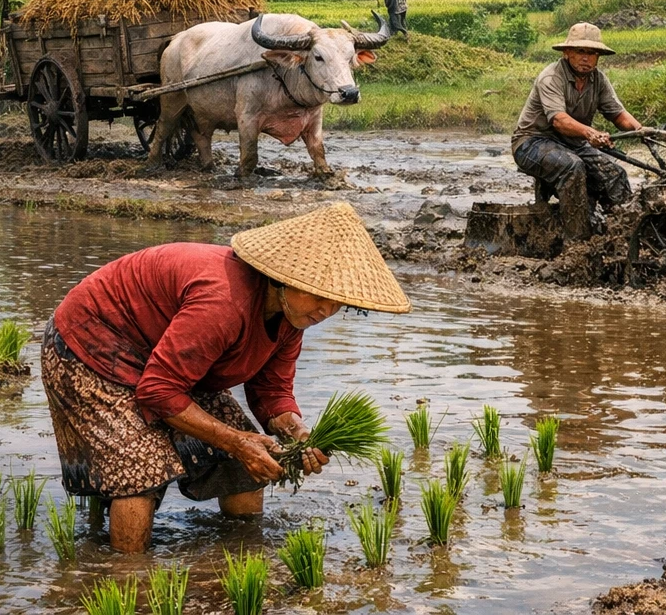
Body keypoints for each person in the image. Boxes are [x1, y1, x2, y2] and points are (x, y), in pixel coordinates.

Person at [40, 203, 410, 554]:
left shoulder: (291, 318)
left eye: (337, 301)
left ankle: (240, 554)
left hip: (167, 364)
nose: (326, 310)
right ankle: (127, 578)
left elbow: (272, 390)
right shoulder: (223, 301)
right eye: (318, 295)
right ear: (282, 278)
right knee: (140, 468)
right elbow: (159, 390)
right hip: (90, 348)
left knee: (246, 464)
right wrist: (236, 441)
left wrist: (297, 432)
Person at [512, 22, 642, 241]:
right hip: (532, 142)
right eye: (580, 51)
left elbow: (618, 115)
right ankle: (577, 241)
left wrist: (641, 130)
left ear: (598, 56)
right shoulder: (551, 77)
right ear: (567, 52)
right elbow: (559, 121)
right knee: (572, 166)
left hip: (573, 143)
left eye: (592, 53)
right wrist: (590, 133)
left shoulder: (598, 80)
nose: (586, 58)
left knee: (615, 174)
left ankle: (623, 235)